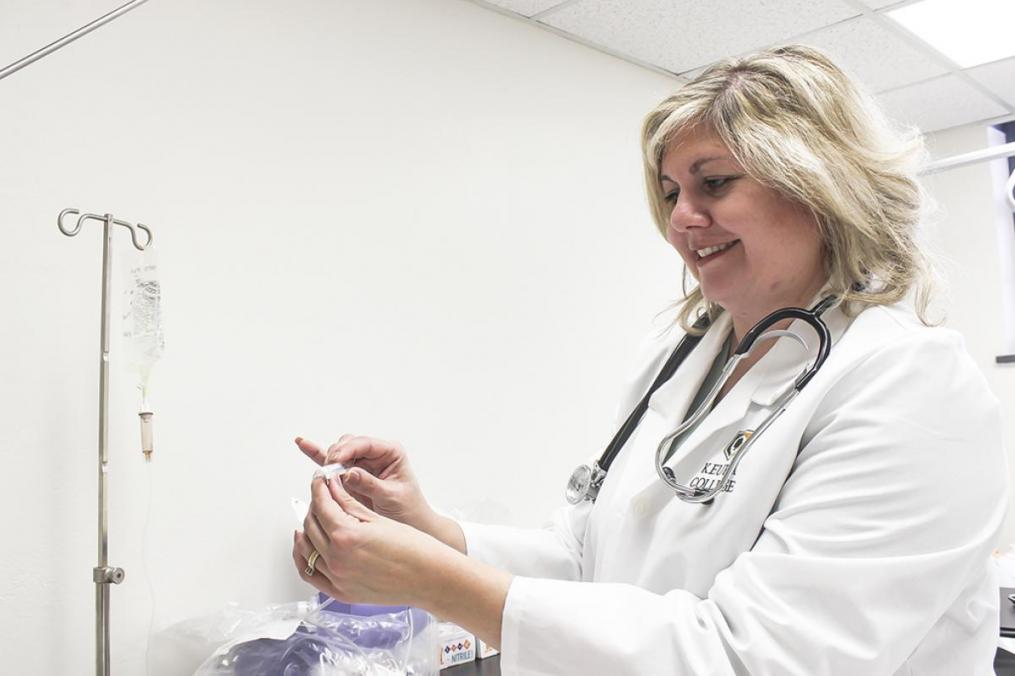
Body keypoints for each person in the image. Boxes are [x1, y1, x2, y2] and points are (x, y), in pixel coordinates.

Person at [291, 45, 1008, 675]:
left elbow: (758, 660)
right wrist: (433, 533)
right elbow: (586, 562)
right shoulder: (681, 359)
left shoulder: (910, 386)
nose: (679, 220)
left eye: (713, 183)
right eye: (669, 193)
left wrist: (437, 585)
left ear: (815, 183)